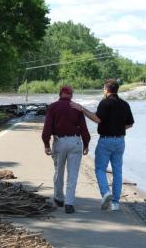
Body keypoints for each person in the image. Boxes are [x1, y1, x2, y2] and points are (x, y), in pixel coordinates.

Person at [70, 79, 134, 211]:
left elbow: (97, 119)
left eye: (103, 89)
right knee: (118, 172)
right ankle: (115, 203)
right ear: (117, 89)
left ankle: (105, 193)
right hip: (120, 141)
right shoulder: (125, 104)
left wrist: (82, 109)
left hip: (106, 140)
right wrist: (118, 129)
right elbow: (130, 124)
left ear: (106, 89)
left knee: (100, 169)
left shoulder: (105, 102)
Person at [42, 85, 90, 214]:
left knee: (59, 172)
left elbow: (47, 127)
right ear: (71, 95)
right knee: (72, 174)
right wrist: (86, 144)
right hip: (75, 142)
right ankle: (69, 204)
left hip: (59, 141)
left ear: (60, 94)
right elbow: (84, 129)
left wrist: (46, 143)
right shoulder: (77, 107)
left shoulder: (52, 107)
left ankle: (59, 198)